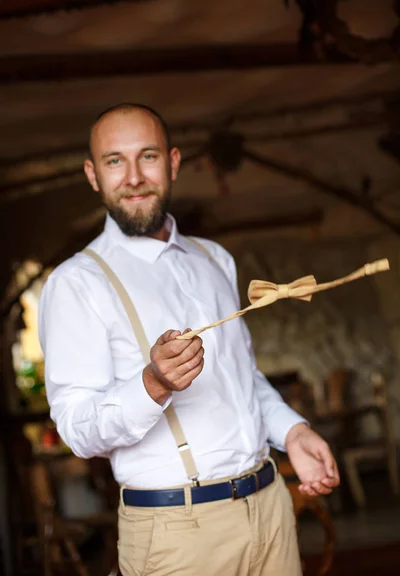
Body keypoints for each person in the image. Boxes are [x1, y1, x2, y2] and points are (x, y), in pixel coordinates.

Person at [39, 103, 340, 576]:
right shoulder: (77, 283)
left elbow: (242, 376)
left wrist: (291, 431)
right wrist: (154, 384)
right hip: (178, 533)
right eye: (114, 161)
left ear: (174, 162)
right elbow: (76, 430)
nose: (134, 176)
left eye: (149, 156)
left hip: (272, 511)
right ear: (93, 175)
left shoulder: (214, 258)